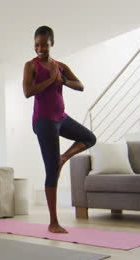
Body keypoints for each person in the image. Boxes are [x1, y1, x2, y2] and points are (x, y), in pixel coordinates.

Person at [22, 25, 96, 233]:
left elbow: (80, 85)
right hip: (43, 121)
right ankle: (53, 222)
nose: (40, 48)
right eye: (37, 45)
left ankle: (63, 158)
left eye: (44, 45)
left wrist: (61, 79)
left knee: (89, 138)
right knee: (51, 171)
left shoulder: (60, 66)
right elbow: (28, 91)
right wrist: (49, 80)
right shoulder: (31, 65)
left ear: (51, 43)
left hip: (60, 118)